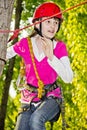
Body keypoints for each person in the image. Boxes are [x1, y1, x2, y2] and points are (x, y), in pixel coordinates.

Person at [6, 2, 73, 130]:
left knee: (37, 119)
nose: (53, 26)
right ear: (37, 23)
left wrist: (51, 57)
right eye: (48, 22)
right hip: (29, 99)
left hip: (52, 97)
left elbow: (68, 77)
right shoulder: (26, 44)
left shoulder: (59, 47)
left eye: (56, 22)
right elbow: (5, 54)